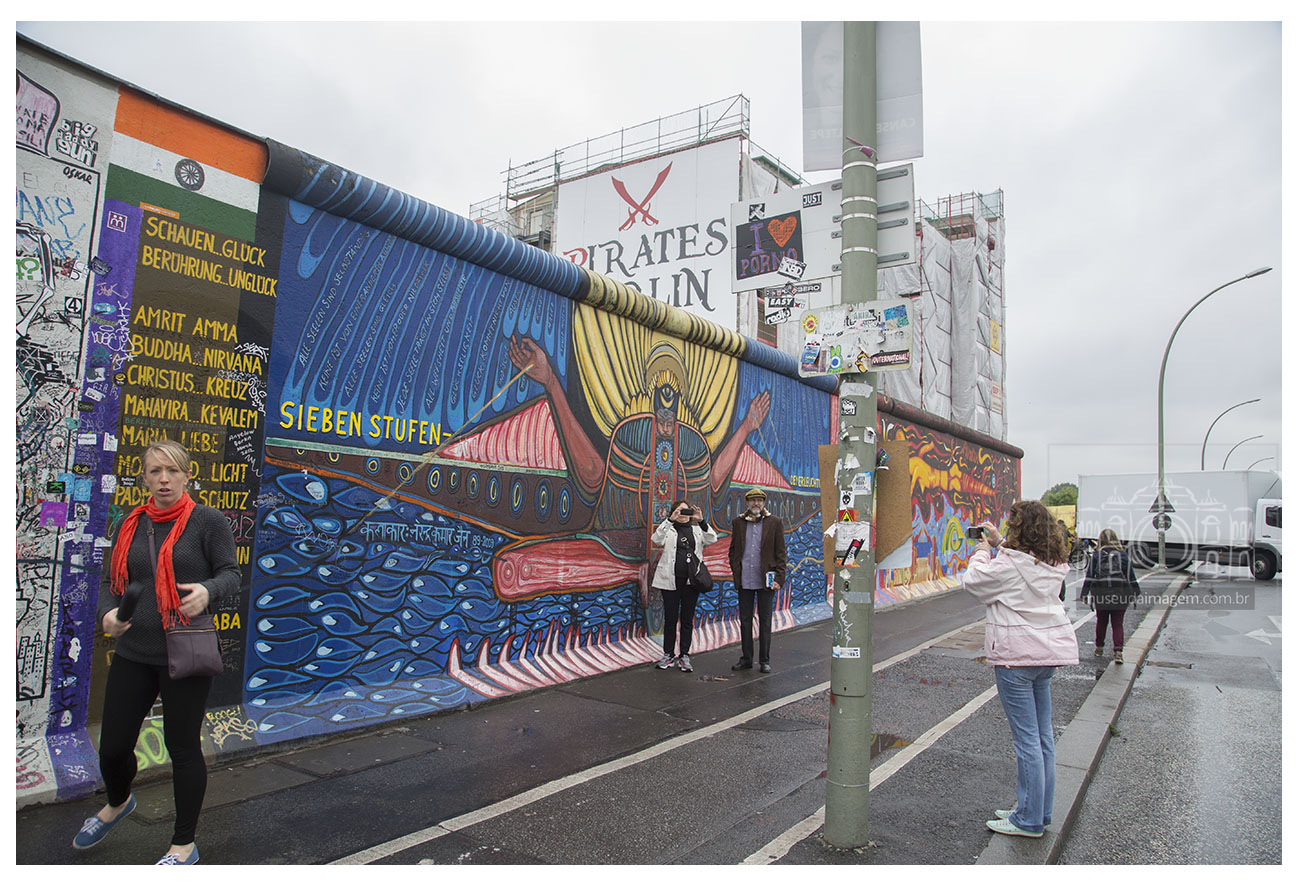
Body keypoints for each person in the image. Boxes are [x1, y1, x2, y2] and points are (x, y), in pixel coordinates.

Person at [74, 439, 240, 865]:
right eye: (155, 471)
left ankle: (183, 845)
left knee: (182, 747)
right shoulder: (131, 524)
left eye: (172, 471)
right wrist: (109, 615)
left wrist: (208, 591)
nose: (164, 479)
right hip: (135, 651)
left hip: (185, 652)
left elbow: (231, 574)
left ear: (187, 475)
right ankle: (118, 802)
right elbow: (111, 584)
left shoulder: (207, 521)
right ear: (144, 477)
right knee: (113, 748)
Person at [963, 500, 1078, 839]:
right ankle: (1038, 811)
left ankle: (1027, 820)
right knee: (1042, 739)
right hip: (1045, 657)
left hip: (1015, 659)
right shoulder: (1052, 563)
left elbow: (974, 582)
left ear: (1019, 529)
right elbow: (1023, 564)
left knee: (1026, 741)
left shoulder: (1007, 566)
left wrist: (982, 551)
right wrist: (999, 543)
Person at [649, 500, 718, 673]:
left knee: (687, 619)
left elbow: (712, 538)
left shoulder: (697, 530)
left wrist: (701, 521)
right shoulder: (669, 529)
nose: (683, 514)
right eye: (679, 511)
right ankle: (668, 654)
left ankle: (685, 655)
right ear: (673, 512)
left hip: (691, 582)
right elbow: (656, 539)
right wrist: (669, 520)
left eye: (686, 511)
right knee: (670, 619)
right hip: (669, 581)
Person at [728, 488, 787, 674]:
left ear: (764, 503)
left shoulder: (774, 522)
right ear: (747, 503)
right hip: (745, 579)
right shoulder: (738, 522)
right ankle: (746, 659)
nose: (756, 504)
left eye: (759, 500)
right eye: (753, 500)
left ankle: (764, 660)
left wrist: (779, 578)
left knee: (765, 620)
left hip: (766, 581)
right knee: (745, 620)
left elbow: (781, 553)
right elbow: (733, 550)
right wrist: (735, 569)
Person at [1081, 528, 1140, 664]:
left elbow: (1089, 576)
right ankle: (1118, 651)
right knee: (1117, 623)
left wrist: (1084, 593)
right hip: (1120, 594)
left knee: (1102, 622)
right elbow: (1130, 576)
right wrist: (1136, 592)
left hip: (1101, 595)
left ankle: (1099, 648)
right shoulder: (1123, 555)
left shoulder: (1096, 556)